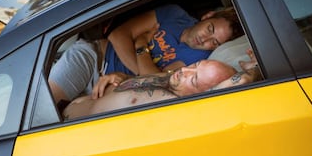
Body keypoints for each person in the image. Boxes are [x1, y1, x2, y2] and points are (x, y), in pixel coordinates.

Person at [49, 4, 243, 105]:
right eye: (210, 29)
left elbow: (154, 80)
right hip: (95, 59)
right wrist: (142, 73)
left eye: (215, 42)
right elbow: (118, 36)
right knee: (43, 112)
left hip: (113, 92)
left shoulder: (198, 60)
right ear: (207, 16)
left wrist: (141, 43)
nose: (206, 40)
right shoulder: (174, 14)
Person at [63, 52, 260, 119]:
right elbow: (139, 80)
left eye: (193, 79)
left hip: (58, 129)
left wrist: (253, 68)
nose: (184, 72)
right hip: (71, 102)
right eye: (194, 66)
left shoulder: (174, 104)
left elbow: (241, 81)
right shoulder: (170, 80)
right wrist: (118, 76)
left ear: (205, 93)